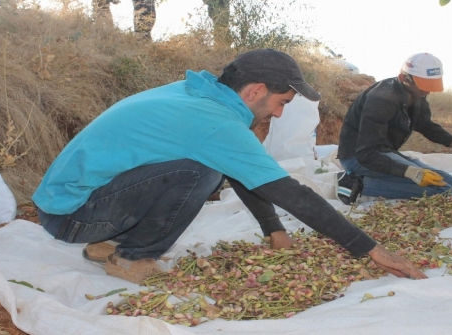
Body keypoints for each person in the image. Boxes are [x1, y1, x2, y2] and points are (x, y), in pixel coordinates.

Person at [33, 49, 427, 283]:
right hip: (74, 216)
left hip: (70, 204)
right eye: (282, 102)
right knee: (199, 172)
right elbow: (288, 191)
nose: (279, 111)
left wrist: (273, 230)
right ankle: (132, 257)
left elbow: (242, 169)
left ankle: (112, 243)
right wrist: (370, 249)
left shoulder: (196, 95)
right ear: (256, 91)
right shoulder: (215, 122)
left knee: (208, 165)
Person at [336, 53, 452, 204]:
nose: (427, 92)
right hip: (358, 158)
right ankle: (359, 183)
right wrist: (411, 172)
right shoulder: (381, 100)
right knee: (443, 191)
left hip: (383, 153)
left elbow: (425, 125)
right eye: (423, 87)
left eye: (430, 86)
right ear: (403, 79)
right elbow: (366, 154)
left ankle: (378, 181)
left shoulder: (416, 94)